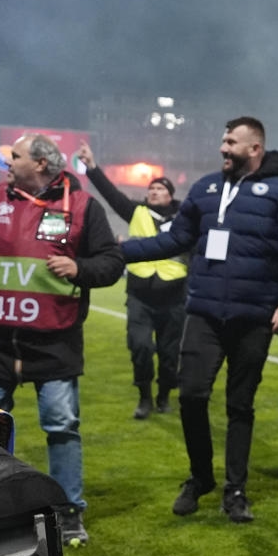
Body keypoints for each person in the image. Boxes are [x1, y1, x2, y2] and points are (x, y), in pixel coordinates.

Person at [0, 133, 124, 546]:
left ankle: (68, 513)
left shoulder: (83, 206)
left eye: (15, 156)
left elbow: (112, 262)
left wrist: (80, 267)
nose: (6, 161)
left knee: (61, 426)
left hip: (54, 341)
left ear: (42, 165)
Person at [121, 116, 278, 524]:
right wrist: (120, 253)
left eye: (231, 142)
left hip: (254, 316)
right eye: (223, 140)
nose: (223, 148)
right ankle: (200, 476)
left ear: (254, 148)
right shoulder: (204, 188)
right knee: (191, 395)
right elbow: (175, 239)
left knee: (240, 405)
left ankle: (235, 489)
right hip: (203, 311)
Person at [77, 141, 188, 419]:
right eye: (150, 189)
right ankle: (144, 398)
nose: (153, 192)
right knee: (139, 347)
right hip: (140, 294)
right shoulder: (136, 211)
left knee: (169, 353)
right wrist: (92, 167)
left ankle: (164, 396)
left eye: (160, 189)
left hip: (175, 295)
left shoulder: (185, 217)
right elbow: (111, 194)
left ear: (170, 195)